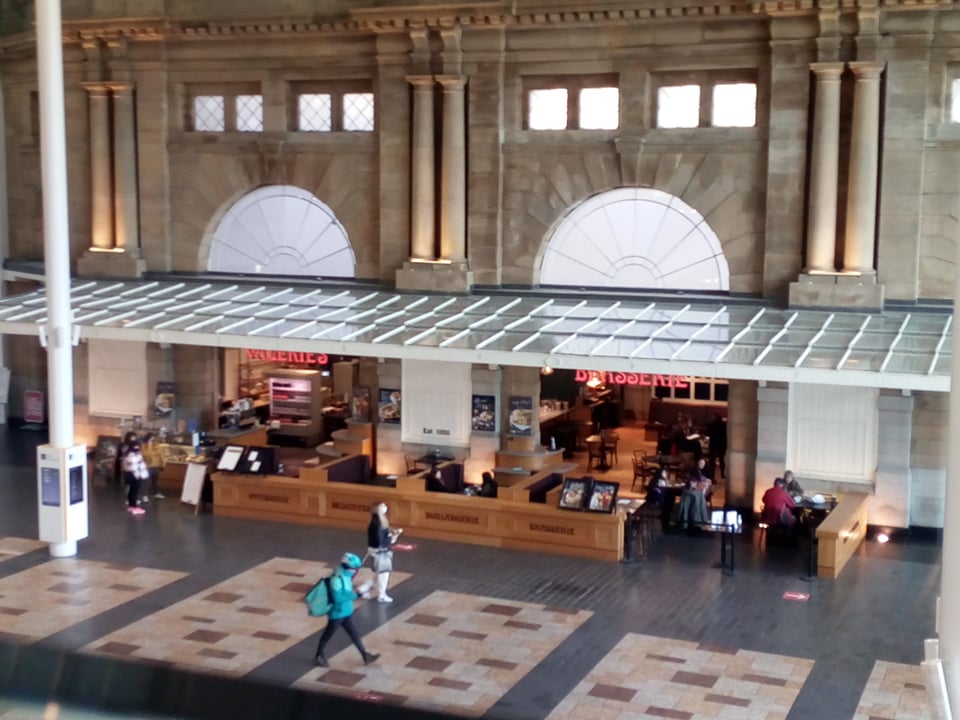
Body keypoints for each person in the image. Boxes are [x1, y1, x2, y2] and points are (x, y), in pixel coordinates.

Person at [313, 552, 380, 667]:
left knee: (354, 633)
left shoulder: (345, 574)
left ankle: (365, 655)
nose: (355, 570)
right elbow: (338, 598)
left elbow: (351, 576)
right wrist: (356, 596)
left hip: (346, 610)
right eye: (353, 568)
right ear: (347, 567)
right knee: (328, 634)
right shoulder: (337, 579)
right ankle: (319, 654)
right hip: (338, 612)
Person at [366, 502, 402, 603]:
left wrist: (391, 534)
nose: (385, 507)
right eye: (383, 506)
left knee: (378, 574)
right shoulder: (377, 523)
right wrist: (392, 538)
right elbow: (379, 540)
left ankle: (363, 589)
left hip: (378, 550)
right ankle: (381, 595)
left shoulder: (378, 521)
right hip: (379, 552)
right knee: (383, 573)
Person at [121, 436, 150, 515]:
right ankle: (135, 507)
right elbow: (134, 467)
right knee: (134, 492)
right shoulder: (133, 455)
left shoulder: (128, 454)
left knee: (131, 491)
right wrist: (139, 475)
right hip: (135, 476)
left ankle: (131, 506)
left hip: (131, 475)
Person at [140, 432, 166, 503]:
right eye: (151, 438)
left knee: (155, 481)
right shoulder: (143, 446)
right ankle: (145, 495)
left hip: (156, 466)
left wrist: (163, 464)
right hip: (147, 466)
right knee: (147, 482)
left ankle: (156, 493)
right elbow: (144, 455)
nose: (153, 440)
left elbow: (162, 456)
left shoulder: (158, 446)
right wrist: (149, 446)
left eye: (154, 438)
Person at [706, 413, 727, 480]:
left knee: (712, 460)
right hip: (722, 443)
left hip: (713, 443)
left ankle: (712, 475)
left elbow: (707, 433)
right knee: (722, 459)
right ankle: (722, 473)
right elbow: (726, 434)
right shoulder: (723, 424)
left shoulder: (711, 424)